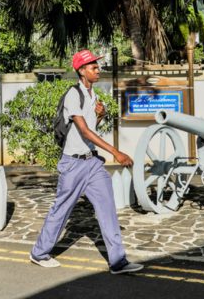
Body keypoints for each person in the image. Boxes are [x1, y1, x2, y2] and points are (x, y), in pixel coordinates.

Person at [30, 49, 144, 275]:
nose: (97, 69)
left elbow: (90, 128)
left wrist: (99, 115)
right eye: (93, 67)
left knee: (107, 208)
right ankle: (39, 253)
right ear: (81, 71)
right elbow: (83, 130)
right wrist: (116, 152)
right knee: (61, 209)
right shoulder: (74, 94)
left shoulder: (92, 95)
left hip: (92, 163)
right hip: (73, 164)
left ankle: (118, 261)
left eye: (97, 66)